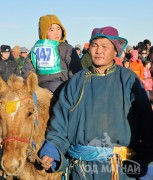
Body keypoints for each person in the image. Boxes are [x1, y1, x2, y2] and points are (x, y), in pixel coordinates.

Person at [39, 26, 153, 179]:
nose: (98, 51)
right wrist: (52, 151)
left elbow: (147, 123)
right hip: (82, 170)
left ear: (115, 51)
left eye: (104, 46)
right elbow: (60, 123)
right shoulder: (76, 82)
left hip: (120, 169)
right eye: (94, 45)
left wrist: (144, 159)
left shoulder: (128, 80)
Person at [31, 14, 82, 99]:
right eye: (51, 30)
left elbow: (76, 71)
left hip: (63, 87)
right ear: (44, 32)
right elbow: (28, 72)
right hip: (40, 90)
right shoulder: (36, 49)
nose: (56, 32)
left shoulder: (67, 48)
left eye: (58, 29)